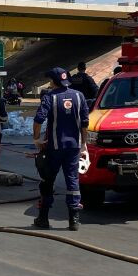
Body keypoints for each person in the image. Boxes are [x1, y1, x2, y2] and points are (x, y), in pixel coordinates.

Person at [32, 67, 89, 231]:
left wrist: (36, 139)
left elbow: (38, 120)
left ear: (54, 81)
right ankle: (74, 220)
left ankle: (43, 218)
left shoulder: (50, 97)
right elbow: (84, 123)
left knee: (48, 181)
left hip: (54, 148)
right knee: (72, 181)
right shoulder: (79, 96)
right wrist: (84, 144)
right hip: (73, 147)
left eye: (50, 80)